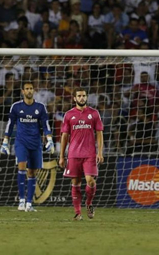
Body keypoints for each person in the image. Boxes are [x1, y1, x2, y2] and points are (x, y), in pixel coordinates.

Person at [0, 81, 54, 212]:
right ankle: (21, 200)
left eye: (31, 88)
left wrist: (50, 140)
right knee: (22, 167)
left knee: (32, 172)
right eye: (27, 89)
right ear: (23, 91)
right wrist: (5, 141)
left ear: (33, 91)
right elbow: (10, 124)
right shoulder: (16, 107)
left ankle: (29, 204)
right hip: (21, 142)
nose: (29, 91)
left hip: (36, 144)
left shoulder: (40, 107)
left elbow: (45, 125)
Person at [59, 87, 104, 221]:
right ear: (74, 98)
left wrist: (100, 152)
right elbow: (64, 136)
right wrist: (62, 156)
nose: (81, 98)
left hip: (89, 154)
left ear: (86, 97)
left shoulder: (94, 113)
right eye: (79, 96)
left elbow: (100, 134)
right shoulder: (68, 115)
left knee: (90, 181)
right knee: (76, 182)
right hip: (73, 154)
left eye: (83, 96)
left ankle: (89, 203)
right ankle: (78, 213)